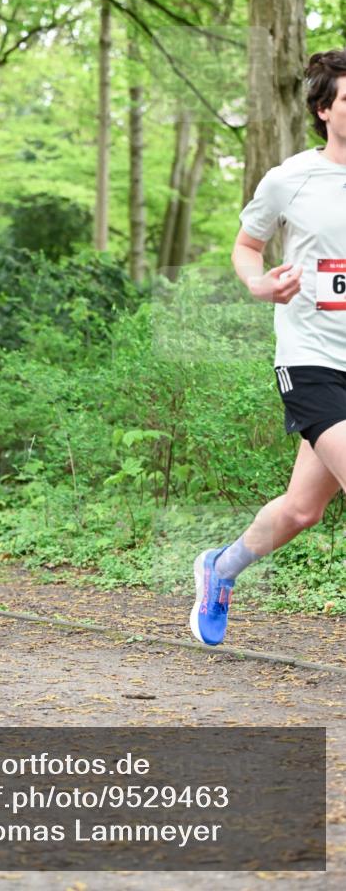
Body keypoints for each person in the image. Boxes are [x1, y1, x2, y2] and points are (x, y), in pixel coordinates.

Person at [191, 48, 346, 646]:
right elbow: (246, 245)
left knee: (303, 510)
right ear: (323, 110)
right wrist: (258, 283)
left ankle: (218, 569)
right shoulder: (289, 179)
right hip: (310, 359)